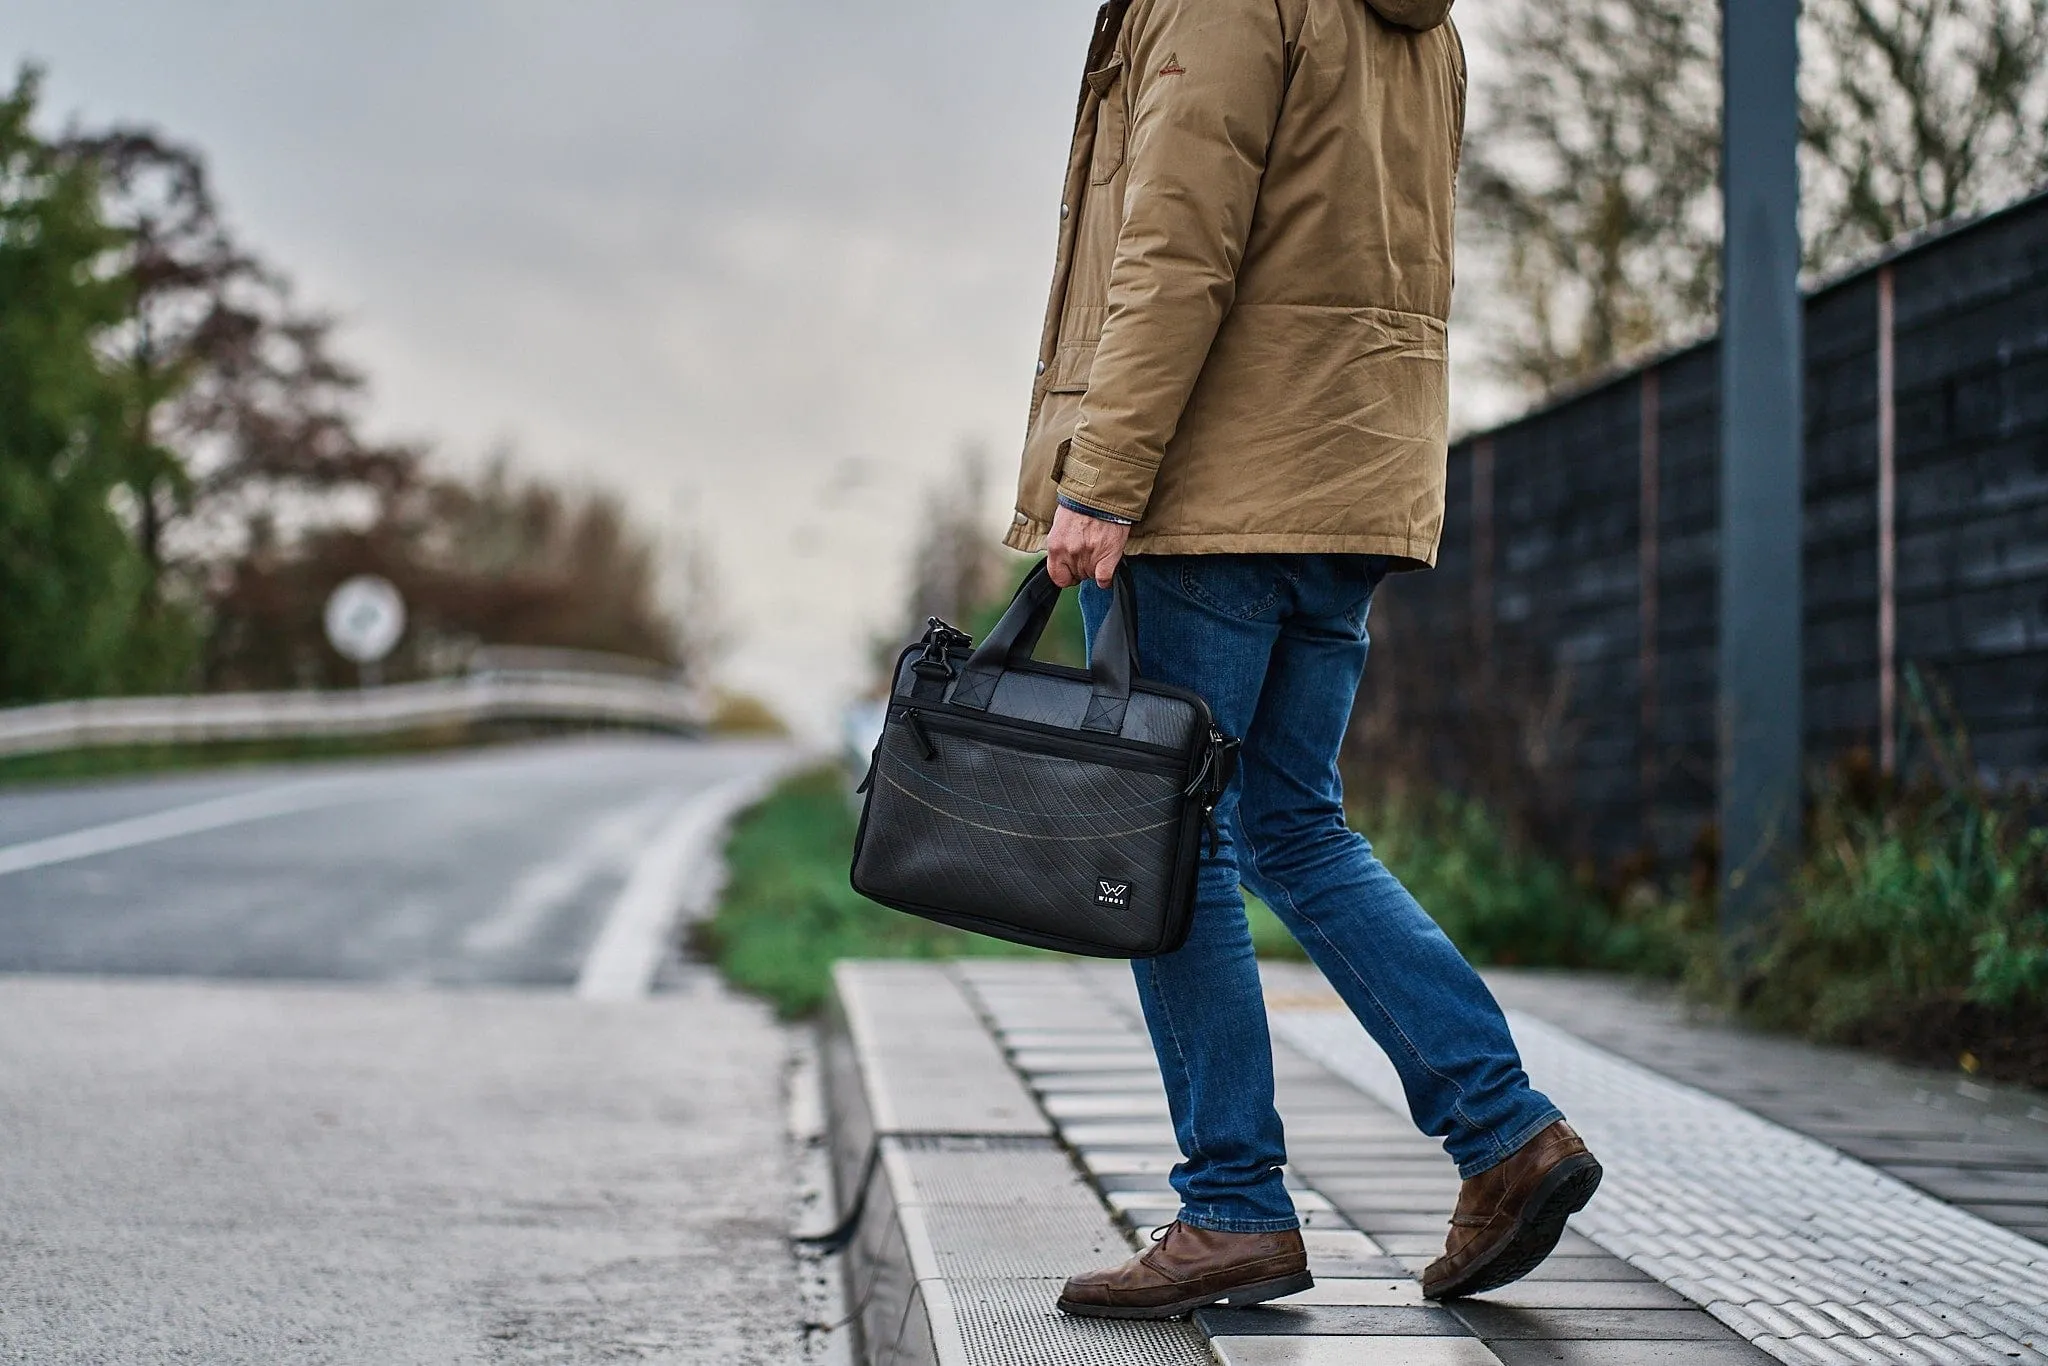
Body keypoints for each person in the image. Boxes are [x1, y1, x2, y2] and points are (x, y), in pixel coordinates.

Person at [1004, 0, 1604, 1320]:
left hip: (1210, 490)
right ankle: (1504, 1131)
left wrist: (1100, 480)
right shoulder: (1423, 29)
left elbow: (1176, 249)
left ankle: (1231, 1205)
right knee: (1292, 823)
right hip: (1349, 486)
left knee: (1172, 840)